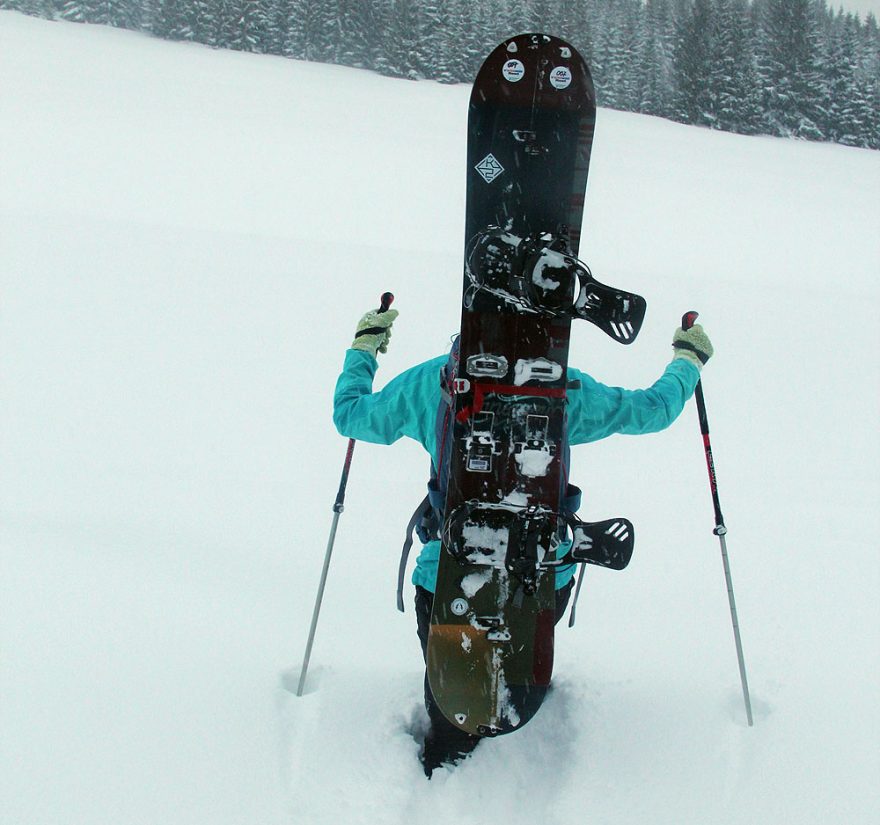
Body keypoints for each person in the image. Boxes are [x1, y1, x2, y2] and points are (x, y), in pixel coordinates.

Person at [332, 304, 713, 776]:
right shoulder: (562, 387)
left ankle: (446, 772)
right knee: (517, 684)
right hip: (543, 572)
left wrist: (365, 346)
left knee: (456, 706)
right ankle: (520, 766)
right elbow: (652, 410)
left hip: (447, 574)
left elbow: (348, 415)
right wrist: (688, 359)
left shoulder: (433, 382)